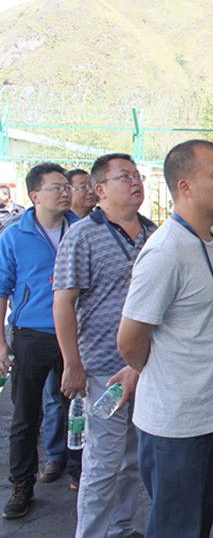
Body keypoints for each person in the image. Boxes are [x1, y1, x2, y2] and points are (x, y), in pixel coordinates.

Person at [117, 140, 213, 538]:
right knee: (177, 528)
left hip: (205, 414)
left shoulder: (208, 238)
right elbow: (129, 340)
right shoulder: (166, 251)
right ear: (185, 186)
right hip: (175, 424)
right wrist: (147, 370)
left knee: (195, 525)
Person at [54, 153, 156, 537]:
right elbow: (63, 302)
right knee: (103, 463)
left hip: (144, 368)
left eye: (137, 175)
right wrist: (72, 363)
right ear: (100, 190)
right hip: (102, 370)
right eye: (124, 177)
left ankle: (120, 528)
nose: (136, 182)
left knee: (133, 459)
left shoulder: (152, 233)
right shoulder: (83, 235)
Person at [0, 163, 79, 519]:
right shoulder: (14, 236)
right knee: (25, 416)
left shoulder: (81, 230)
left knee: (78, 408)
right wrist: (1, 344)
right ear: (35, 196)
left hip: (76, 335)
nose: (65, 192)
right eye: (56, 187)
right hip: (32, 336)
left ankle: (80, 473)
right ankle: (22, 485)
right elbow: (2, 290)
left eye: (66, 186)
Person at [38, 168, 97, 489]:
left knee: (80, 400)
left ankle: (78, 464)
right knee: (54, 396)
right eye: (80, 186)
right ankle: (55, 455)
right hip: (42, 331)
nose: (87, 191)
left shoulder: (91, 230)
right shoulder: (19, 233)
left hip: (85, 331)